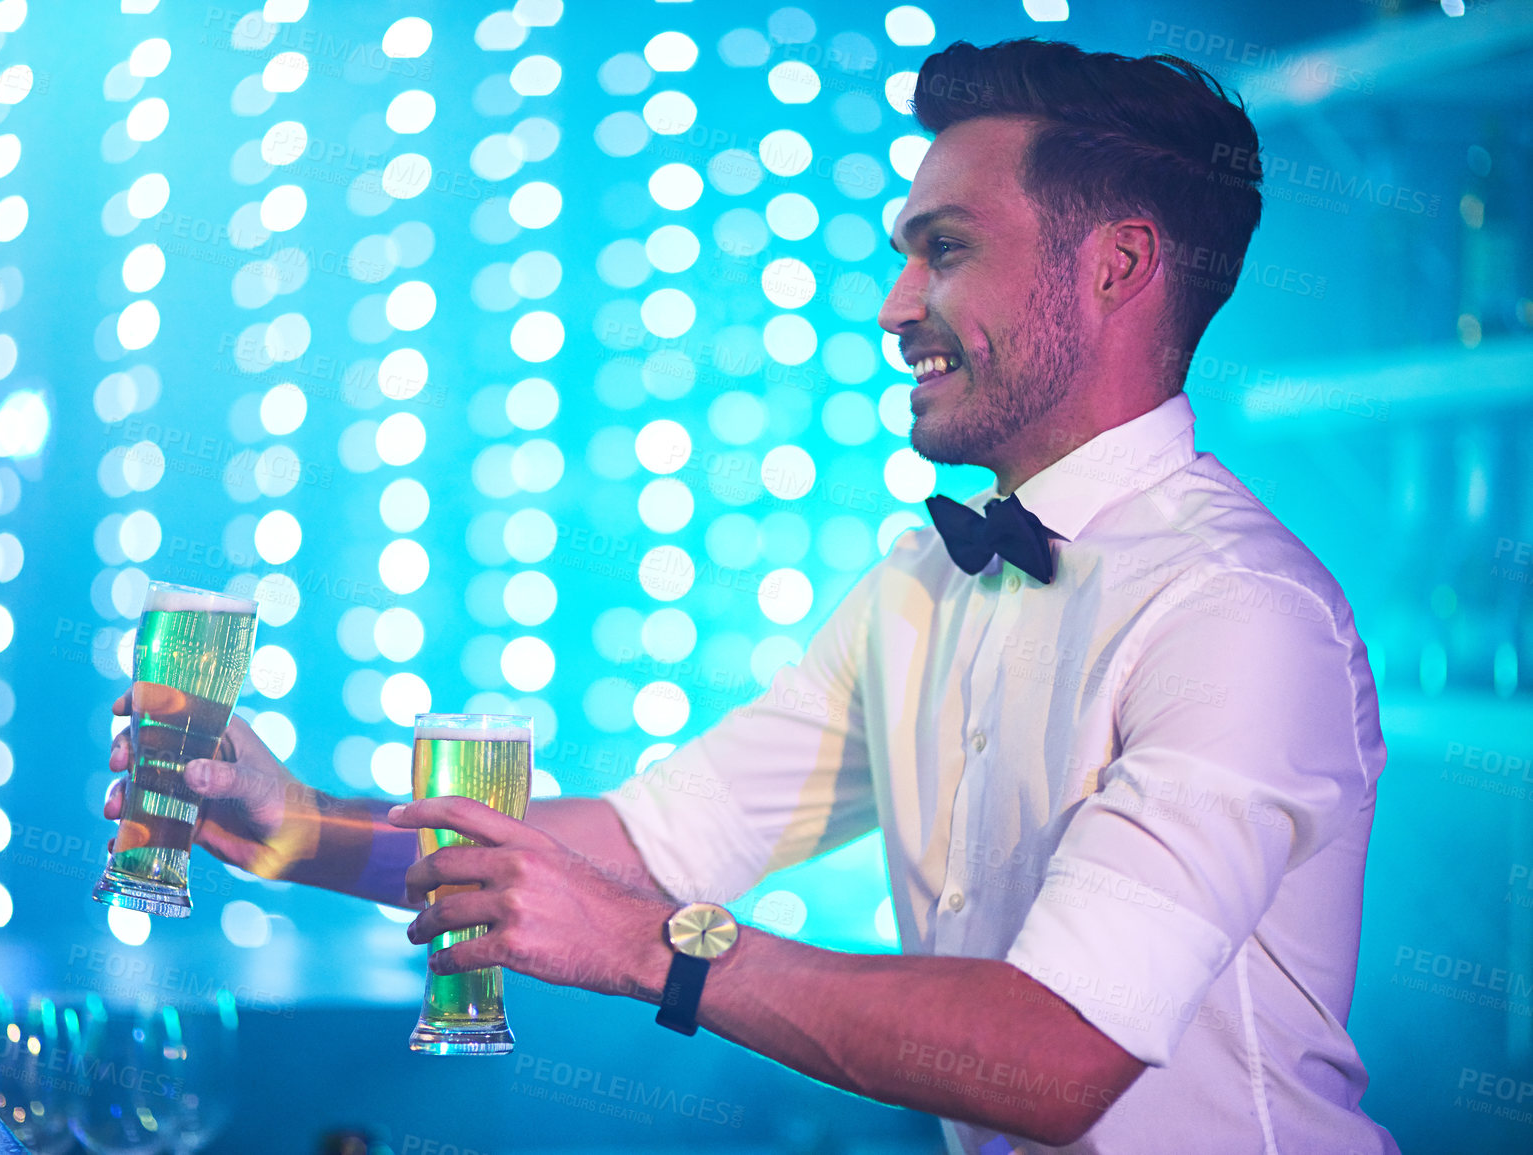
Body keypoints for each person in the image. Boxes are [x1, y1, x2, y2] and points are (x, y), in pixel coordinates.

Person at [103, 39, 1397, 1154]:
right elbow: (645, 843)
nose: (898, 307)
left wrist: (652, 948)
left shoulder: (1242, 614)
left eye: (944, 250)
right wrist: (292, 826)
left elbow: (1061, 1056)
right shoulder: (919, 590)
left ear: (1117, 269)